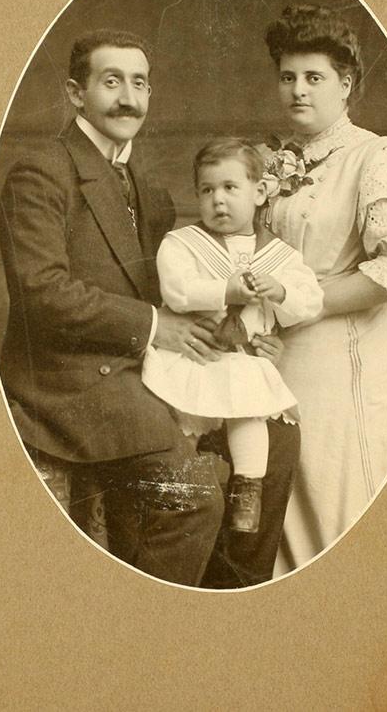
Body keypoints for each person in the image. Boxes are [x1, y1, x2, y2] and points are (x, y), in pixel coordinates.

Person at [0, 28, 300, 588]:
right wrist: (157, 327)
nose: (128, 98)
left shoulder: (147, 189)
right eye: (111, 82)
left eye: (140, 83)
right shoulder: (40, 173)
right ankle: (149, 627)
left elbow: (178, 289)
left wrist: (239, 337)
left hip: (146, 369)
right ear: (74, 92)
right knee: (193, 493)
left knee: (277, 442)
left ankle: (230, 600)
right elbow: (43, 295)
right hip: (76, 387)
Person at [257, 5, 387, 572]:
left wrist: (294, 302)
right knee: (287, 520)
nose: (298, 90)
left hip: (353, 370)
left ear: (346, 85)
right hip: (284, 367)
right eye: (288, 76)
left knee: (344, 522)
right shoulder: (275, 161)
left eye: (314, 78)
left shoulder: (379, 158)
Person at [142, 138, 323, 534]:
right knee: (180, 422)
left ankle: (247, 489)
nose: (218, 201)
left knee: (249, 414)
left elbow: (310, 301)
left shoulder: (281, 257)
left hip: (240, 359)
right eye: (207, 190)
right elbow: (177, 289)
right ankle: (176, 492)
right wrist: (226, 291)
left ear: (259, 193)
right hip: (195, 355)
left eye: (230, 188)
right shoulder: (183, 244)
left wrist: (280, 291)